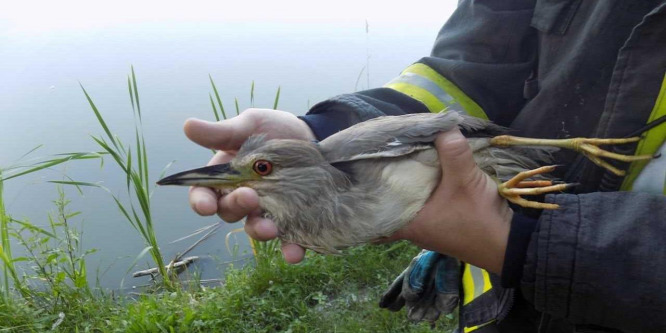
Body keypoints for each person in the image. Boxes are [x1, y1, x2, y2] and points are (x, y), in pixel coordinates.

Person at [184, 1, 666, 332]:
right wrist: (322, 128)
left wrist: (524, 241)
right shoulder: (323, 190)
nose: (243, 179)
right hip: (513, 296)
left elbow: (473, 131)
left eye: (262, 169)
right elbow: (472, 66)